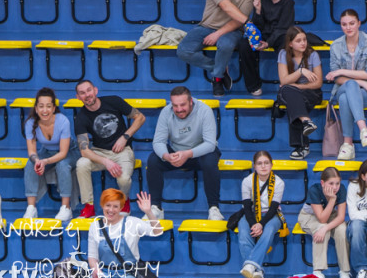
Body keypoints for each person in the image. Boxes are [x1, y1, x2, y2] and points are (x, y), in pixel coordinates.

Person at [176, 0, 255, 96]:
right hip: (207, 26)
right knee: (183, 51)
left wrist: (218, 34)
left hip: (233, 29)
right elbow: (226, 6)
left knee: (225, 44)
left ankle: (217, 79)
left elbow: (239, 20)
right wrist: (248, 22)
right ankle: (220, 69)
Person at [145, 86, 222, 222]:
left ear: (191, 101)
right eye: (175, 105)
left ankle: (214, 208)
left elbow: (210, 143)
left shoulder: (204, 110)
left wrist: (187, 154)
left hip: (200, 152)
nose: (179, 109)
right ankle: (156, 208)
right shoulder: (166, 112)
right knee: (153, 160)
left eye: (182, 105)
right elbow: (158, 142)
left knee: (210, 160)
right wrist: (167, 156)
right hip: (176, 152)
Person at [73, 80, 146, 219]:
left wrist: (125, 137)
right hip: (100, 152)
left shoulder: (113, 101)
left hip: (123, 150)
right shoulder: (81, 118)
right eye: (82, 93)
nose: (87, 95)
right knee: (81, 164)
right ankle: (89, 207)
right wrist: (106, 161)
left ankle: (124, 203)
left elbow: (140, 117)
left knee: (124, 179)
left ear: (95, 90)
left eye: (89, 90)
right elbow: (84, 150)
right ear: (78, 97)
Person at [77, 189, 162, 278]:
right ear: (102, 205)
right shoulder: (95, 226)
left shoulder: (133, 222)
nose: (111, 210)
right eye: (108, 205)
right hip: (106, 273)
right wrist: (96, 270)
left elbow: (158, 231)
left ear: (121, 207)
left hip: (129, 273)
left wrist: (149, 212)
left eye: (115, 206)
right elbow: (92, 256)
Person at [328, 9, 367, 161]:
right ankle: (363, 129)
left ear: (359, 23)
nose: (348, 27)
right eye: (344, 24)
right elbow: (337, 79)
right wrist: (360, 82)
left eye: (352, 23)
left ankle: (348, 145)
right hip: (347, 87)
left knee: (345, 100)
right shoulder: (335, 46)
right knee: (350, 88)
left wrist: (342, 71)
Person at [23, 87, 80, 221]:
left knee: (62, 164)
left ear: (54, 108)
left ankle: (66, 208)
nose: (45, 110)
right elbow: (32, 151)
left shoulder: (63, 121)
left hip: (70, 151)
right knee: (30, 164)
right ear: (36, 108)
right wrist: (37, 160)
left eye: (48, 106)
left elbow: (63, 153)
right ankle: (31, 208)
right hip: (47, 152)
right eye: (41, 106)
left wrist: (45, 162)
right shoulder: (30, 123)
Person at [232, 151, 286, 278]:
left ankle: (250, 265)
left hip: (271, 215)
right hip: (250, 213)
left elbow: (273, 208)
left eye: (266, 163)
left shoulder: (279, 183)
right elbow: (246, 206)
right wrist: (253, 224)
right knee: (244, 233)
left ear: (271, 165)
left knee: (268, 231)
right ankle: (258, 271)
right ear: (254, 166)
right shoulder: (247, 181)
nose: (263, 166)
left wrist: (261, 224)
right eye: (259, 163)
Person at [238, 0, 295, 97]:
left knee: (285, 49)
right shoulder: (262, 0)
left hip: (281, 34)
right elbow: (258, 26)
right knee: (244, 45)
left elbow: (282, 28)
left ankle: (286, 85)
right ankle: (254, 86)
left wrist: (268, 43)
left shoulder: (288, 1)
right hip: (265, 33)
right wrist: (258, 11)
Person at [297, 166, 351, 278]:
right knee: (320, 229)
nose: (335, 187)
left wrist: (326, 227)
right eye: (331, 183)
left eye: (337, 183)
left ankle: (344, 270)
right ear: (322, 183)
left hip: (330, 214)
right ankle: (318, 271)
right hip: (310, 216)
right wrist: (332, 200)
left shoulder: (341, 189)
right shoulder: (314, 190)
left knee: (342, 229)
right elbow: (322, 219)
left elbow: (341, 217)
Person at [277, 26, 323, 161]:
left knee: (291, 96)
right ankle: (306, 122)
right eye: (298, 41)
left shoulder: (313, 55)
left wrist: (297, 86)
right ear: (290, 43)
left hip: (311, 93)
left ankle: (302, 147)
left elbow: (318, 83)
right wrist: (301, 71)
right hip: (291, 93)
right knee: (288, 92)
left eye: (304, 40)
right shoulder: (283, 54)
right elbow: (283, 80)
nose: (303, 43)